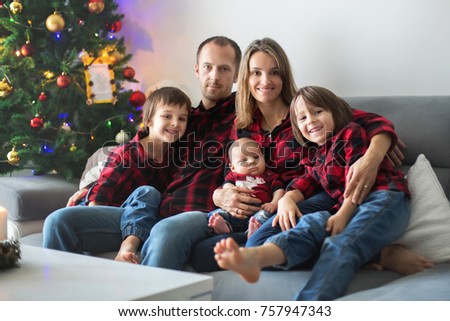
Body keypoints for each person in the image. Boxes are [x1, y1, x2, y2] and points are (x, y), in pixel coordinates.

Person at [214, 85, 411, 300]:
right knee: (310, 224)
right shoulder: (315, 153)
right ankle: (256, 257)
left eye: (318, 112)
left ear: (334, 111)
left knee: (339, 244)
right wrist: (288, 198)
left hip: (382, 198)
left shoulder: (350, 132)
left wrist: (343, 215)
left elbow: (356, 183)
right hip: (344, 206)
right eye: (303, 118)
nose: (311, 121)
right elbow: (306, 180)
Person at [42, 87, 191, 262]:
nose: (175, 123)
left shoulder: (177, 156)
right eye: (167, 116)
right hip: (111, 214)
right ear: (149, 121)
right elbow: (103, 191)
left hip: (144, 221)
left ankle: (129, 246)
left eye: (182, 118)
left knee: (149, 195)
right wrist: (86, 216)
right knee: (147, 192)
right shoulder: (126, 153)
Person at [207, 137, 284, 238]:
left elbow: (279, 190)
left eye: (256, 157)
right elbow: (227, 186)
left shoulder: (269, 176)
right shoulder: (233, 176)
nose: (252, 161)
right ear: (233, 167)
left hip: (259, 209)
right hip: (236, 211)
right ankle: (225, 227)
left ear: (263, 158)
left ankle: (254, 230)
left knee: (266, 215)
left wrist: (273, 203)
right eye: (243, 160)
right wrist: (233, 192)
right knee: (215, 214)